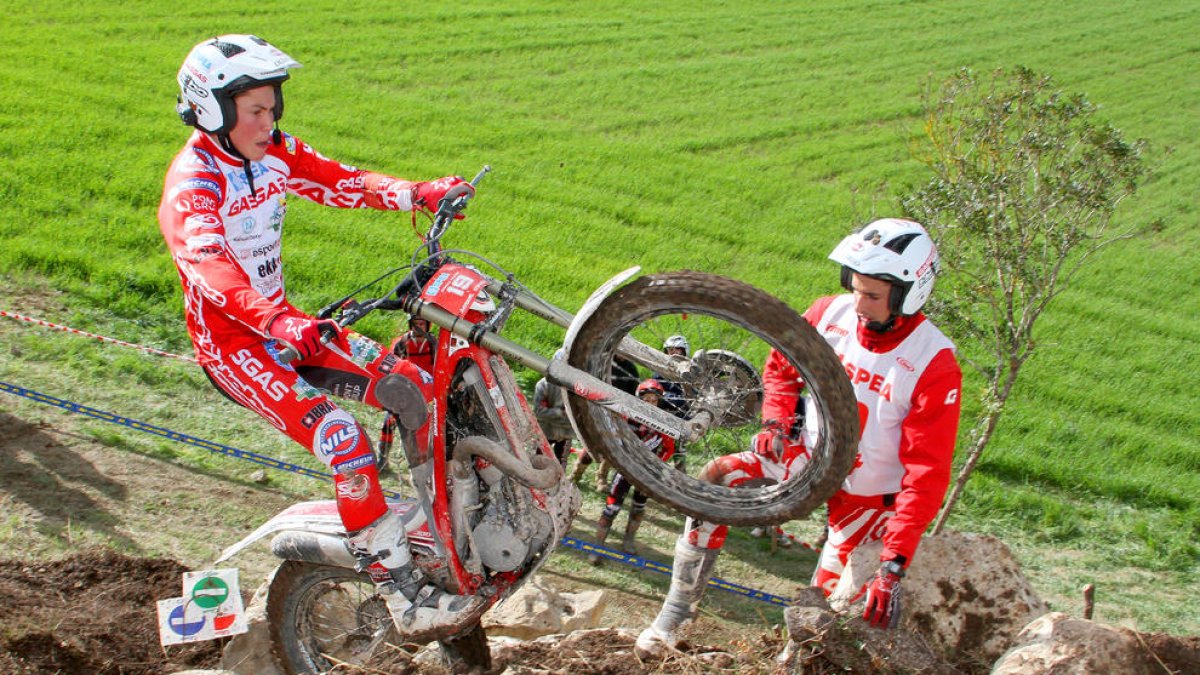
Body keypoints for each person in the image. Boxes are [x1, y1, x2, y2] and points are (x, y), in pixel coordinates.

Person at [158, 34, 485, 638]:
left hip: (288, 326)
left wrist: (419, 192)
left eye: (273, 105)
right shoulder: (192, 186)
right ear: (212, 109)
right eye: (255, 109)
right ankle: (402, 596)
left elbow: (342, 181)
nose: (271, 119)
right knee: (344, 441)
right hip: (236, 346)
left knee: (410, 382)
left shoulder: (272, 152)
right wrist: (278, 321)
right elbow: (214, 275)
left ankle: (446, 533)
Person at [637, 219, 962, 653]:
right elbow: (781, 368)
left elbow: (927, 472)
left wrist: (893, 564)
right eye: (855, 287)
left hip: (866, 498)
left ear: (910, 293)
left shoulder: (933, 363)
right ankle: (672, 620)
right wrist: (775, 422)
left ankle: (792, 657)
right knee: (718, 477)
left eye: (872, 295)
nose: (859, 303)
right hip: (807, 459)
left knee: (823, 608)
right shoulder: (830, 313)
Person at [589, 379, 682, 564]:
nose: (649, 404)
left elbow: (669, 448)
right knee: (612, 505)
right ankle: (598, 545)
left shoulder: (663, 422)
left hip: (647, 472)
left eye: (653, 400)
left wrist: (657, 464)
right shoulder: (626, 417)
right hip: (626, 469)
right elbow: (613, 437)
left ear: (658, 402)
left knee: (639, 505)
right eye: (645, 399)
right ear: (638, 399)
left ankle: (629, 539)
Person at [378, 316, 436, 470]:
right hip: (405, 392)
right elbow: (391, 366)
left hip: (428, 392)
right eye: (416, 324)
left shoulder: (434, 344)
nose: (418, 327)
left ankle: (428, 462)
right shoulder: (401, 343)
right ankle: (382, 460)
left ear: (428, 325)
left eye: (422, 324)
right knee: (389, 422)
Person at [533, 350, 575, 464]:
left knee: (561, 461)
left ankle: (559, 480)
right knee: (538, 458)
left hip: (566, 431)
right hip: (547, 429)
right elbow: (538, 411)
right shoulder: (543, 385)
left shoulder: (576, 388)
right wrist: (560, 413)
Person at [654, 335, 691, 418]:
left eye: (677, 349)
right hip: (666, 407)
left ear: (684, 351)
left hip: (688, 408)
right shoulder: (661, 371)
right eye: (670, 350)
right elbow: (655, 390)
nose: (674, 353)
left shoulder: (691, 369)